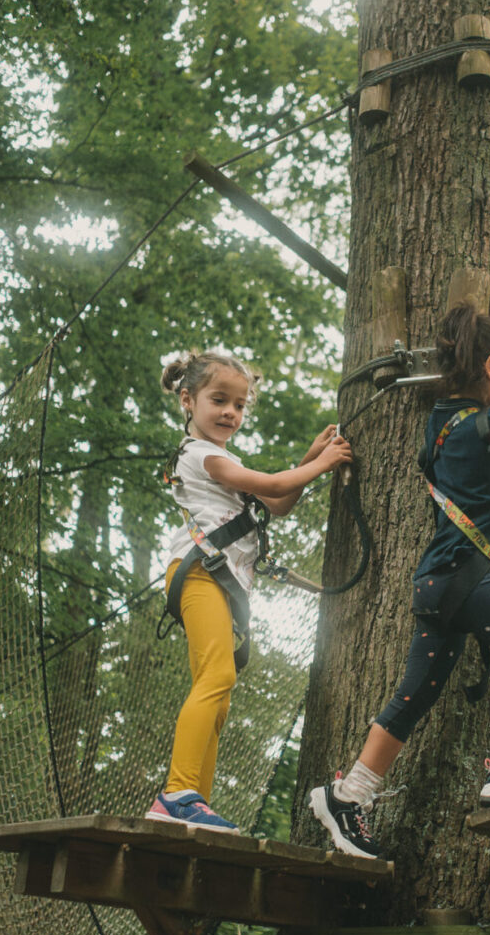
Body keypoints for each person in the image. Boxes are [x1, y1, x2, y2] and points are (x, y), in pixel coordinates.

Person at [309, 299, 490, 858]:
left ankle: (350, 793)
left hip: (436, 582)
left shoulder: (438, 424)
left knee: (414, 696)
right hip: (470, 579)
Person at [147, 350, 352, 832]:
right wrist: (321, 463)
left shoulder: (219, 455)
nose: (229, 414)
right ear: (187, 400)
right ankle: (177, 794)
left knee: (216, 694)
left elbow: (277, 502)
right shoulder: (201, 455)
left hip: (219, 581)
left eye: (239, 406)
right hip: (199, 574)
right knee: (217, 677)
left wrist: (308, 458)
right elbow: (271, 483)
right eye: (219, 400)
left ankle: (194, 802)